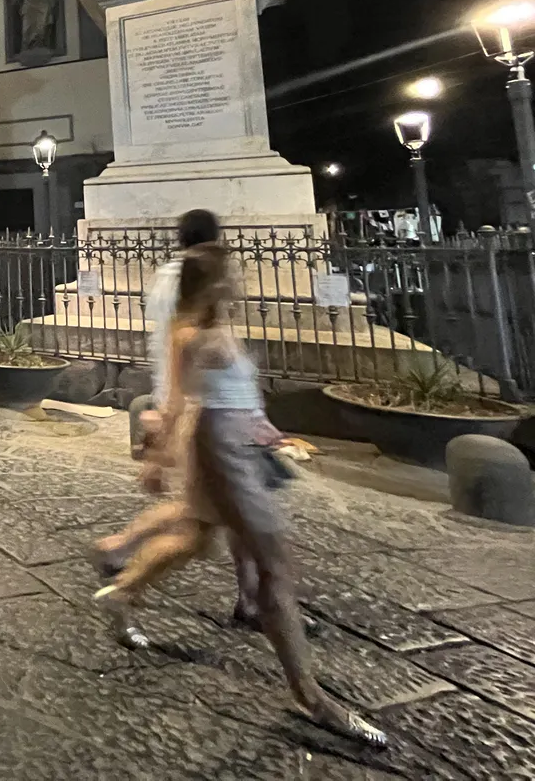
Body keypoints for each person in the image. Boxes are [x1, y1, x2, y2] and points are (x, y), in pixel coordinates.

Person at [94, 244, 387, 749]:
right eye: (229, 275)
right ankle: (309, 695)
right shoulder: (188, 331)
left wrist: (271, 433)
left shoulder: (216, 322)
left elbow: (238, 392)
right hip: (221, 451)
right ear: (210, 283)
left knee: (196, 539)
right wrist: (158, 458)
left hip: (242, 444)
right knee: (273, 564)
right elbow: (179, 400)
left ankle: (121, 593)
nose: (238, 281)